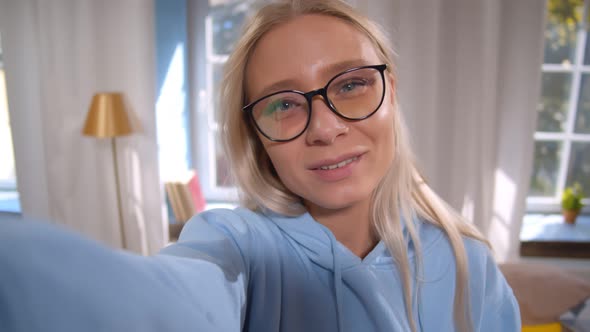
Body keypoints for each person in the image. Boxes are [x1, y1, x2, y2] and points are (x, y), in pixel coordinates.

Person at [0, 0, 520, 331]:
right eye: (284, 104)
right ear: (257, 138)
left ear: (391, 92)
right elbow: (160, 302)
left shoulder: (467, 260)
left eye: (352, 84)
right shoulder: (237, 247)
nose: (324, 127)